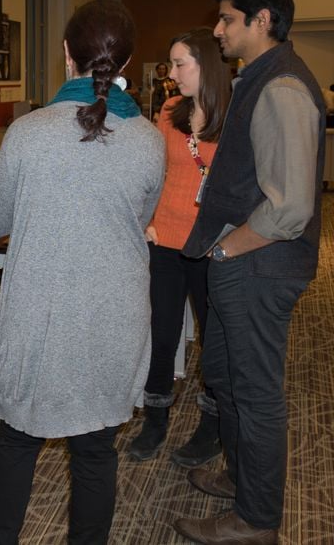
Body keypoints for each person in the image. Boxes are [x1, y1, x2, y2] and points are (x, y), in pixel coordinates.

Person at [0, 0, 164, 544]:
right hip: (114, 315)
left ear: (66, 54)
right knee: (96, 452)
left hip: (41, 313)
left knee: (16, 442)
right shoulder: (150, 141)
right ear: (127, 63)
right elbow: (140, 218)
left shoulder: (28, 132)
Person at [174, 0, 324, 544]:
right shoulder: (258, 78)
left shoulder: (282, 87)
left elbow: (290, 208)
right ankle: (245, 484)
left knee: (255, 392)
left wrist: (230, 247)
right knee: (226, 378)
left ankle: (256, 520)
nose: (217, 30)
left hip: (260, 263)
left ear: (263, 21)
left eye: (228, 19)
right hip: (245, 262)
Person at [126, 28, 231, 466]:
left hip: (213, 246)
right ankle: (155, 419)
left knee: (214, 340)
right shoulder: (170, 110)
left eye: (179, 64)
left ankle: (210, 427)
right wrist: (148, 220)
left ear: (204, 66)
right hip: (165, 241)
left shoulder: (237, 115)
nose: (171, 73)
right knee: (162, 332)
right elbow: (153, 173)